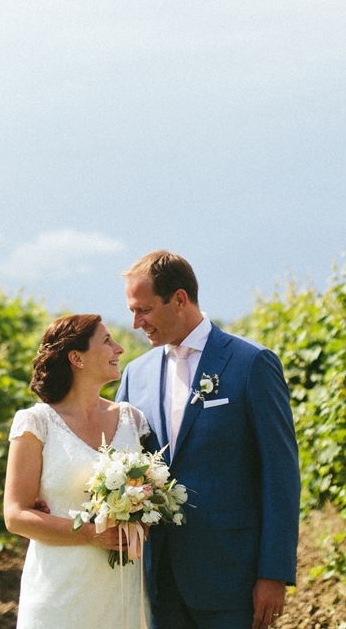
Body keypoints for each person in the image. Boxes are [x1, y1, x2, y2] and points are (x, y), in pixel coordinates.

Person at [116, 250, 300, 629]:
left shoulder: (252, 363)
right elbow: (111, 456)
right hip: (157, 576)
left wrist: (274, 573)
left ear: (180, 299)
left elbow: (280, 474)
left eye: (144, 310)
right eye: (133, 311)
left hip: (233, 576)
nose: (136, 323)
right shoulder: (137, 374)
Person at [4, 313, 154, 628]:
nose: (119, 349)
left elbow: (150, 494)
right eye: (107, 341)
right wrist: (90, 534)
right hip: (59, 592)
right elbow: (15, 516)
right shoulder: (36, 423)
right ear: (77, 358)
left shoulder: (133, 420)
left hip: (121, 591)